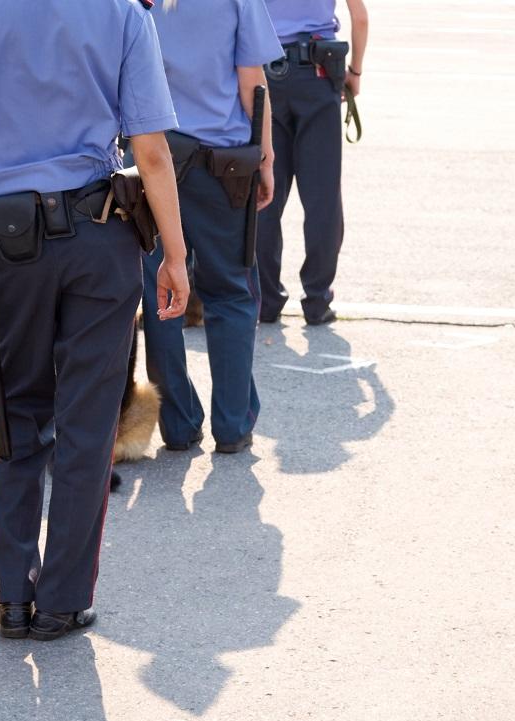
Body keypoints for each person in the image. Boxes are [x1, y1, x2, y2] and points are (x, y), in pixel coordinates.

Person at [0, 0, 190, 642]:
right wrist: (175, 256)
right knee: (87, 424)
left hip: (6, 243)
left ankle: (14, 597)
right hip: (100, 239)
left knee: (15, 414)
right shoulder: (124, 12)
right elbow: (150, 151)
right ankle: (63, 602)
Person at [141, 0, 282, 454]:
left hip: (152, 156)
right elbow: (251, 83)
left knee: (160, 294)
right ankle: (233, 423)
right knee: (232, 293)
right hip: (222, 163)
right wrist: (266, 154)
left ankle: (178, 424)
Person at [257, 0, 369, 326]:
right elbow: (359, 17)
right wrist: (356, 72)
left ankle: (266, 299)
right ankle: (317, 300)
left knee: (265, 192)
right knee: (322, 198)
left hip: (266, 72)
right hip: (319, 73)